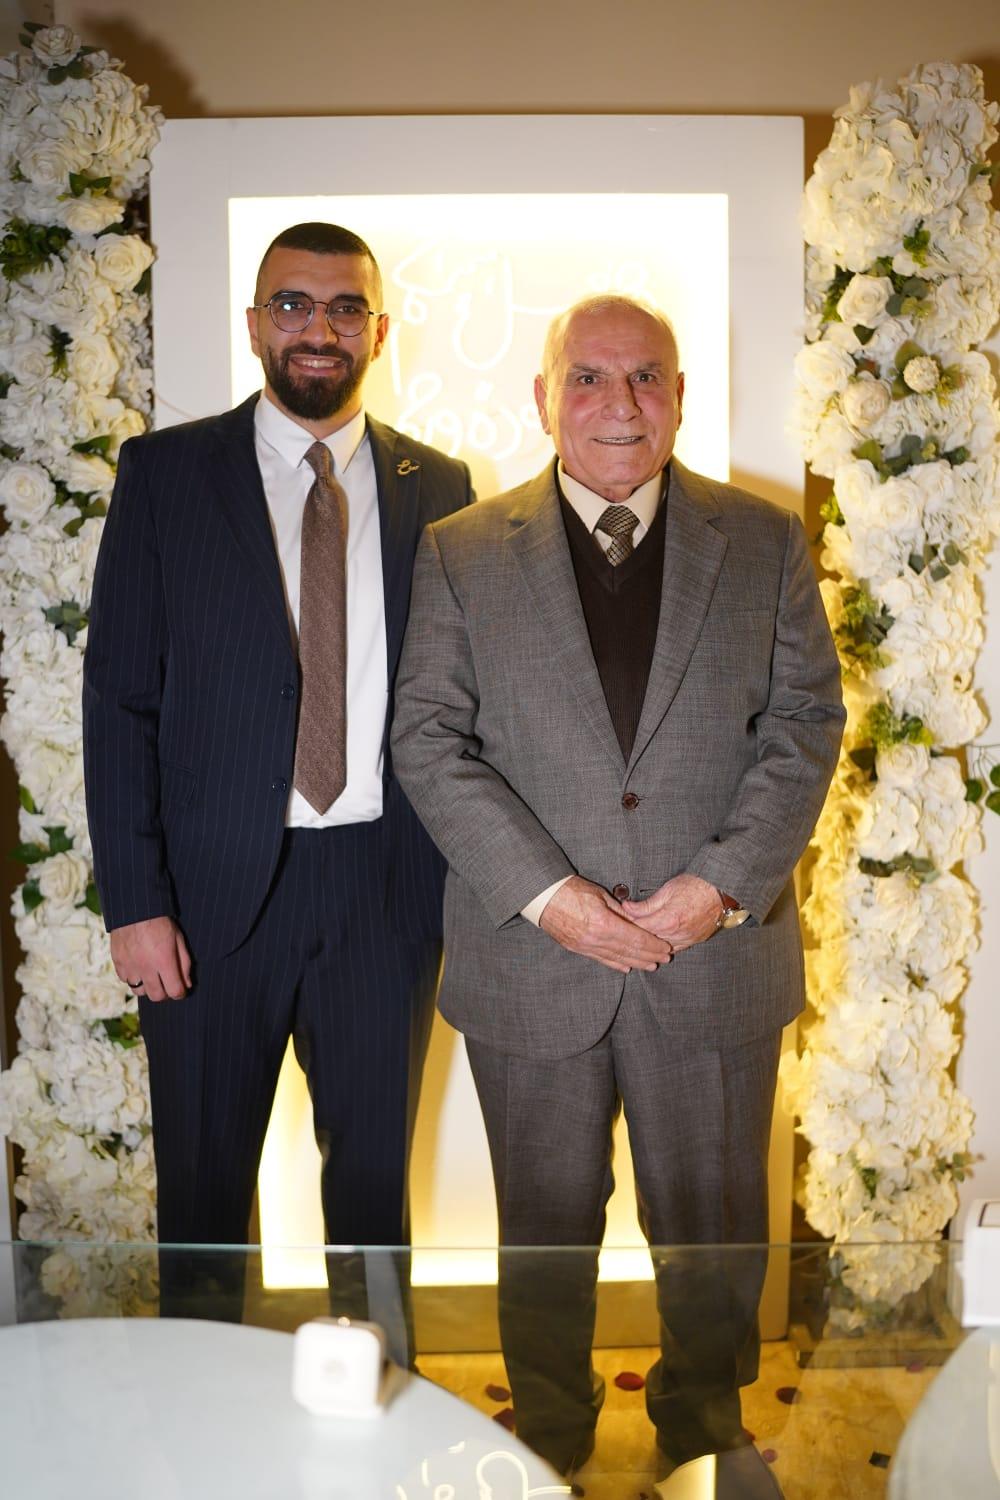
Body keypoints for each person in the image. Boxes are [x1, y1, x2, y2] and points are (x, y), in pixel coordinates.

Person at [391, 295, 844, 1488]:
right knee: (542, 1235)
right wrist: (551, 896)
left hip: (712, 953)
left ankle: (702, 1428)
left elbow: (805, 724)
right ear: (544, 397)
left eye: (645, 377)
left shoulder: (763, 541)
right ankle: (549, 1435)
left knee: (713, 1232)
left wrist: (720, 886)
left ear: (679, 396)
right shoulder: (460, 550)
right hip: (533, 960)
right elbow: (428, 739)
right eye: (588, 378)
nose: (619, 404)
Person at [83, 222, 473, 1328]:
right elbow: (119, 699)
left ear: (378, 332)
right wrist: (136, 903)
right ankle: (208, 1404)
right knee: (204, 1195)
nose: (318, 329)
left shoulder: (438, 486)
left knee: (373, 1199)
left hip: (383, 895)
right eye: (293, 304)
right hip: (207, 903)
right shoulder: (166, 474)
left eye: (344, 308)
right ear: (256, 324)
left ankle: (379, 1392)